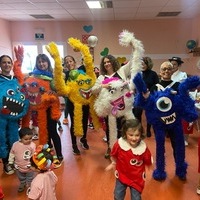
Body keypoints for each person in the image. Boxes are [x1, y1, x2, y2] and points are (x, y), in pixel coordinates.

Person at [21, 54, 63, 164]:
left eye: (43, 61)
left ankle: (59, 154)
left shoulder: (52, 77)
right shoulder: (33, 76)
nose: (41, 64)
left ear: (48, 63)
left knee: (52, 131)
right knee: (43, 131)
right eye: (39, 62)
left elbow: (59, 91)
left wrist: (54, 93)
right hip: (39, 109)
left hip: (51, 108)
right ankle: (47, 152)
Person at [92, 55, 132, 158]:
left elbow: (133, 62)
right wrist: (102, 86)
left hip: (121, 106)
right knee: (109, 129)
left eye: (108, 61)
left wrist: (133, 45)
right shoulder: (101, 77)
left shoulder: (121, 71)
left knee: (120, 127)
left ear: (113, 62)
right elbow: (93, 90)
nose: (107, 64)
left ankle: (120, 148)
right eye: (104, 62)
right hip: (108, 108)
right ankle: (111, 147)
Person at [105, 118, 152, 200]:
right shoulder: (119, 145)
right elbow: (114, 154)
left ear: (141, 134)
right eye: (131, 135)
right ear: (125, 133)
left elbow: (148, 159)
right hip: (122, 175)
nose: (134, 138)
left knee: (136, 198)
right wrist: (113, 163)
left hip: (137, 178)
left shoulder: (143, 148)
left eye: (137, 135)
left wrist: (149, 165)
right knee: (118, 195)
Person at [0, 51, 29, 175]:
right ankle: (6, 162)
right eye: (4, 62)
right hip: (1, 116)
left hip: (12, 116)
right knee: (2, 138)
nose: (7, 65)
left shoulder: (16, 80)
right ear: (0, 65)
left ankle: (13, 160)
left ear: (12, 64)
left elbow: (21, 95)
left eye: (9, 62)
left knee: (13, 137)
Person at [62, 55, 90, 155]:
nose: (69, 63)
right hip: (72, 102)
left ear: (74, 61)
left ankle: (83, 139)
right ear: (65, 64)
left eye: (71, 61)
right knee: (74, 123)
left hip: (83, 100)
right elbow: (63, 89)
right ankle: (74, 144)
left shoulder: (81, 71)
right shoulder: (65, 75)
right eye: (67, 62)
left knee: (84, 121)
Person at [133, 56, 159, 137]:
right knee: (137, 114)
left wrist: (149, 92)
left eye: (144, 64)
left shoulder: (153, 74)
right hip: (139, 97)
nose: (142, 66)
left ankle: (148, 130)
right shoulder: (138, 74)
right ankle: (140, 130)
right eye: (141, 64)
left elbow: (156, 85)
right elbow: (134, 84)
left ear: (148, 64)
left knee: (149, 114)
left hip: (149, 97)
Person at [169, 56, 190, 146]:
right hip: (169, 99)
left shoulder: (182, 75)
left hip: (179, 99)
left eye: (175, 64)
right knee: (171, 118)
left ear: (179, 65)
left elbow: (183, 88)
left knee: (181, 119)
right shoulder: (168, 73)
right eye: (171, 64)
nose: (173, 66)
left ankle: (184, 138)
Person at [8, 127, 36, 192]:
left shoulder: (32, 145)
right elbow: (12, 153)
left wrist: (34, 164)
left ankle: (30, 186)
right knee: (21, 177)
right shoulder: (15, 145)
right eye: (26, 139)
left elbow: (34, 155)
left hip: (29, 166)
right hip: (18, 166)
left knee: (30, 178)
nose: (29, 140)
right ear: (20, 138)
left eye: (30, 138)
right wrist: (11, 162)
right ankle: (22, 183)